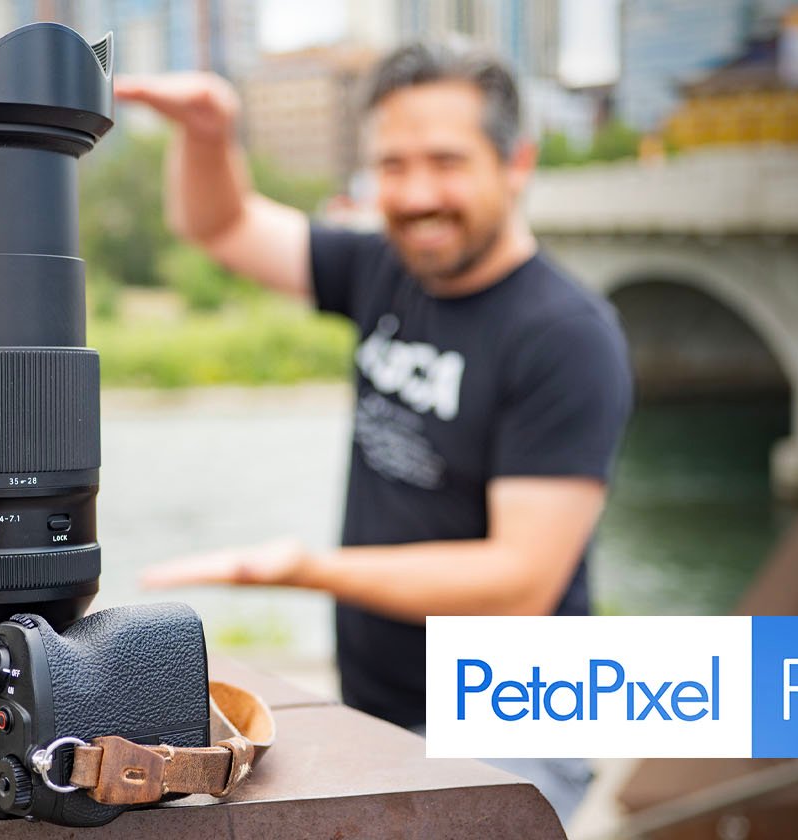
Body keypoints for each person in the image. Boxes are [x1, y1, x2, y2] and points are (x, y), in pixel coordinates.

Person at [122, 43, 632, 821]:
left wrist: (307, 569)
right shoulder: (382, 270)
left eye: (446, 161)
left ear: (516, 163)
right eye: (393, 166)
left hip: (518, 719)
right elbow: (220, 225)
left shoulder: (566, 336)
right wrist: (207, 133)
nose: (418, 193)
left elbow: (522, 579)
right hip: (380, 707)